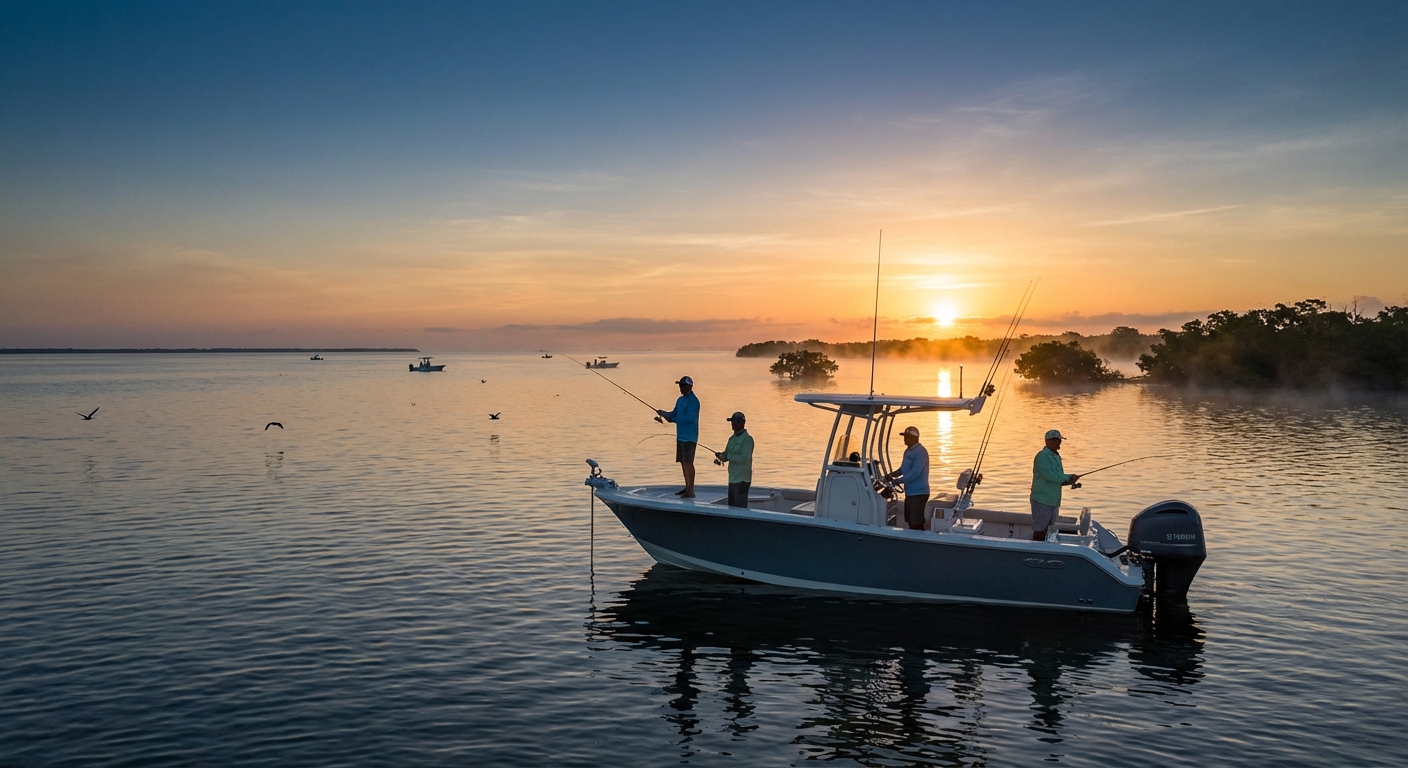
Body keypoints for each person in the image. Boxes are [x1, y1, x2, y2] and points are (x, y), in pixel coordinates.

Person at [1030, 429, 1081, 541]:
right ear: (1047, 441)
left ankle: (1044, 547)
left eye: (1059, 440)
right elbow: (1050, 476)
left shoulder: (1056, 456)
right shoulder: (1042, 456)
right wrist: (1068, 476)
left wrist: (1070, 480)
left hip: (1053, 500)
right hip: (1042, 499)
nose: (1059, 442)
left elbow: (1058, 477)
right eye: (1055, 440)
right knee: (1039, 528)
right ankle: (1035, 548)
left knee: (1048, 528)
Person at [655, 375, 700, 498]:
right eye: (679, 385)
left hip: (690, 436)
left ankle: (691, 490)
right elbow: (673, 414)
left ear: (690, 386)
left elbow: (689, 418)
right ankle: (687, 487)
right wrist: (663, 414)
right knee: (683, 462)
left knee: (689, 462)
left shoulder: (694, 401)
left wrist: (674, 419)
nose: (680, 388)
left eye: (682, 385)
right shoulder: (680, 400)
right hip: (680, 436)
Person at [885, 426, 930, 530]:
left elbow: (915, 473)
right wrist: (891, 475)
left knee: (915, 523)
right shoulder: (908, 451)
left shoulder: (921, 452)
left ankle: (919, 542)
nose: (904, 439)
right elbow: (903, 469)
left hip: (919, 493)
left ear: (915, 438)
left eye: (907, 437)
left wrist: (898, 481)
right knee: (910, 521)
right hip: (910, 493)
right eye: (904, 436)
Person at [715, 411, 754, 508]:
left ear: (741, 423)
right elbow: (726, 455)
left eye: (734, 422)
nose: (732, 424)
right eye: (731, 422)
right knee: (731, 507)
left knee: (740, 508)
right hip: (732, 479)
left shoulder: (748, 439)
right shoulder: (731, 439)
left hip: (742, 480)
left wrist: (728, 457)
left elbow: (744, 458)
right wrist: (721, 456)